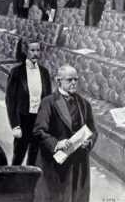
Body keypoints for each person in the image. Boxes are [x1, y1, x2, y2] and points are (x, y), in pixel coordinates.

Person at [33, 65, 97, 202]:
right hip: (54, 162)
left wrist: (89, 141)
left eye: (76, 79)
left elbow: (93, 129)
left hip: (78, 164)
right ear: (58, 81)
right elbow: (38, 131)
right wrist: (57, 143)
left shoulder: (84, 104)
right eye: (69, 80)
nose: (74, 83)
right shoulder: (48, 102)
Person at [6, 38, 52, 166]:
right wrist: (15, 125)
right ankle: (13, 181)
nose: (36, 53)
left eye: (38, 50)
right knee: (18, 156)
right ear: (26, 51)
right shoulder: (16, 72)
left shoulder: (45, 73)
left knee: (34, 157)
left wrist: (47, 121)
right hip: (23, 120)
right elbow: (10, 101)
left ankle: (29, 183)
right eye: (32, 50)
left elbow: (48, 100)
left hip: (38, 121)